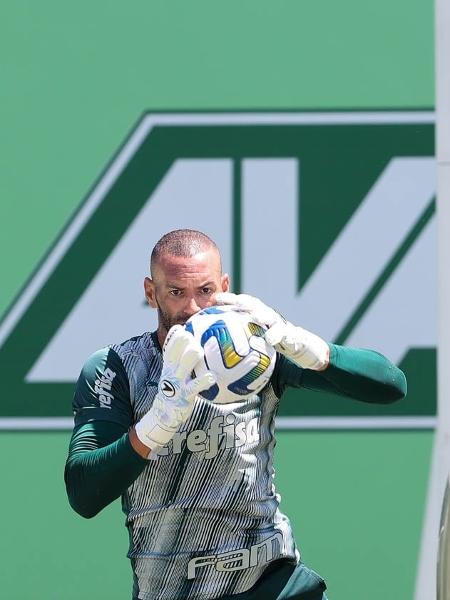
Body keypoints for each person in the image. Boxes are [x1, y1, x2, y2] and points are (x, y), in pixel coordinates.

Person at [65, 228, 407, 600]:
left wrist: (306, 346)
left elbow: (391, 386)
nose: (193, 308)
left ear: (225, 285)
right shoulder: (116, 368)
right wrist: (155, 426)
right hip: (168, 589)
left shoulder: (254, 356)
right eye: (177, 292)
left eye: (206, 291)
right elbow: (84, 494)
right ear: (151, 293)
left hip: (269, 582)